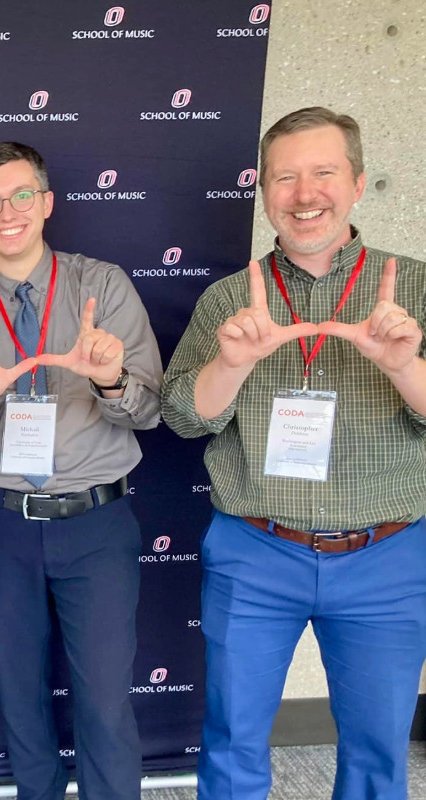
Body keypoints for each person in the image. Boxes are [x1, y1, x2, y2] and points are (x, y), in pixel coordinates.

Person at [162, 107, 426, 800]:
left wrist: (403, 366)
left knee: (377, 750)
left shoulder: (415, 287)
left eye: (323, 173)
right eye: (285, 177)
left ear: (359, 183)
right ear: (265, 190)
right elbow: (183, 417)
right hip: (257, 551)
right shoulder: (231, 299)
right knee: (233, 737)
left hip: (388, 557)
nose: (304, 193)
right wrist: (234, 363)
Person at [0, 142, 163, 800]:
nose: (7, 212)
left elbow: (149, 413)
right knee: (20, 698)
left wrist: (112, 379)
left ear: (48, 203)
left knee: (104, 702)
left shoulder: (103, 287)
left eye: (21, 196)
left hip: (94, 522)